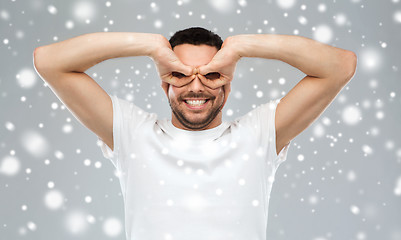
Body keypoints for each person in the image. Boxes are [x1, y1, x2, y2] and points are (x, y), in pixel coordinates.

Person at [33, 27, 357, 240]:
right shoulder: (133, 134)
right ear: (164, 84)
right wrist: (150, 46)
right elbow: (48, 62)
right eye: (181, 74)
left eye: (211, 74)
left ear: (227, 86)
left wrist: (242, 47)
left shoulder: (258, 135)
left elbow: (340, 66)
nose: (197, 86)